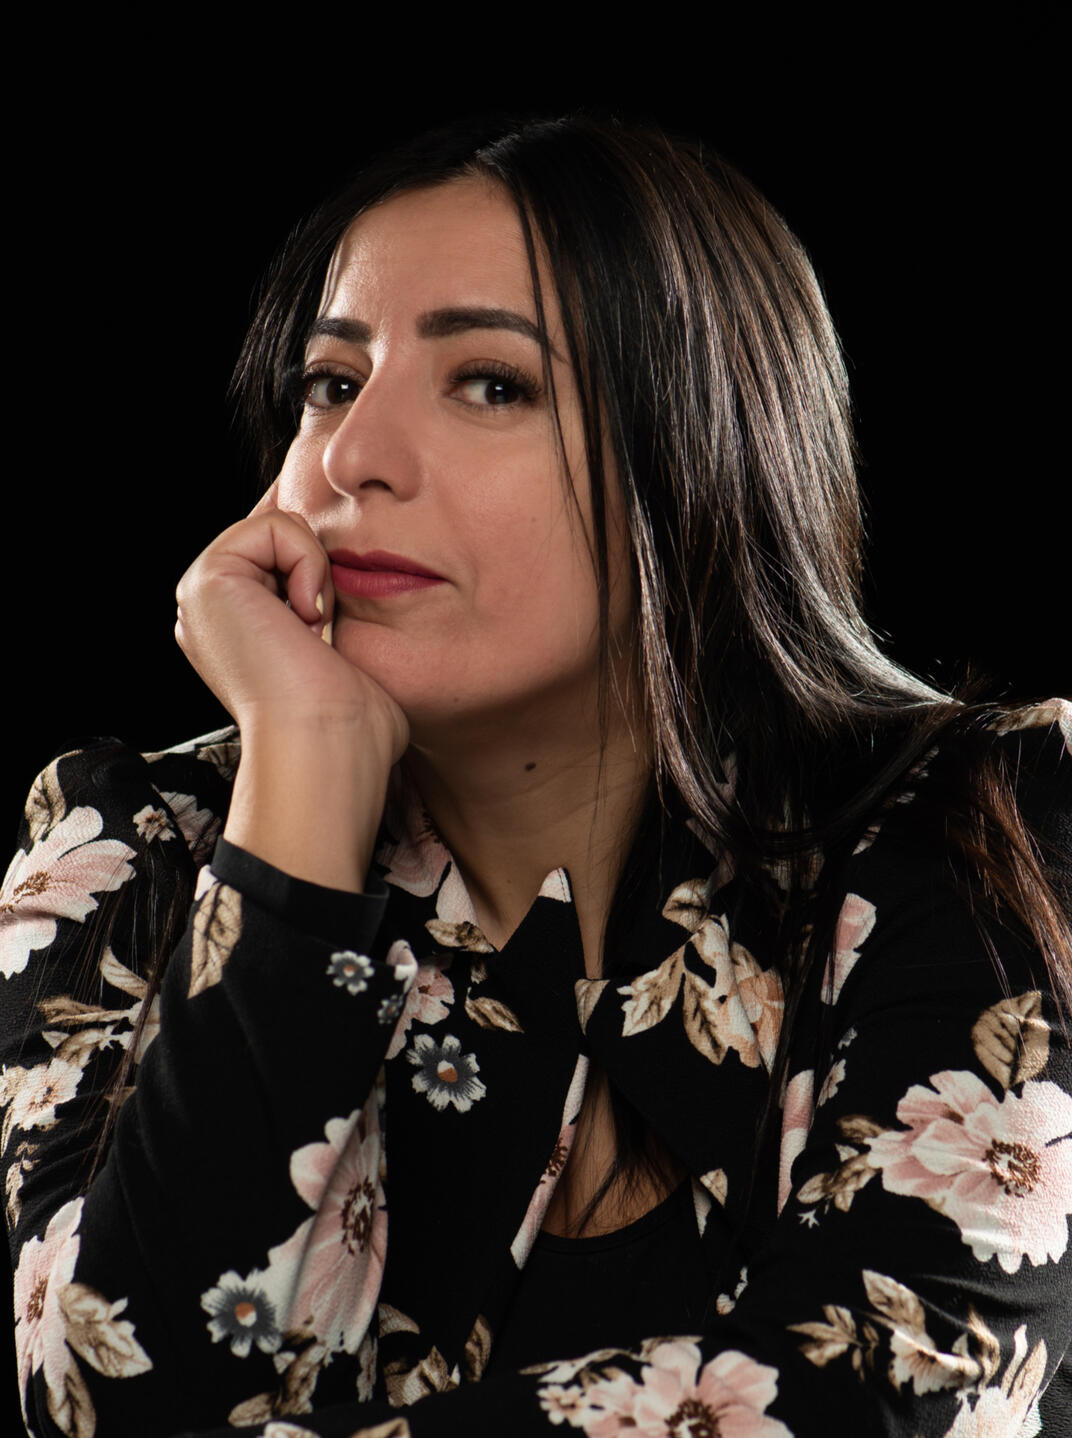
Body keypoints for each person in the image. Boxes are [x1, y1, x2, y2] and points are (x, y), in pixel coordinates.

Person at [1, 109, 1069, 1438]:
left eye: (491, 385)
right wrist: (304, 782)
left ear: (701, 450)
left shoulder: (981, 830)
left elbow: (888, 1399)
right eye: (332, 381)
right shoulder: (133, 849)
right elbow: (107, 1398)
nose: (350, 456)